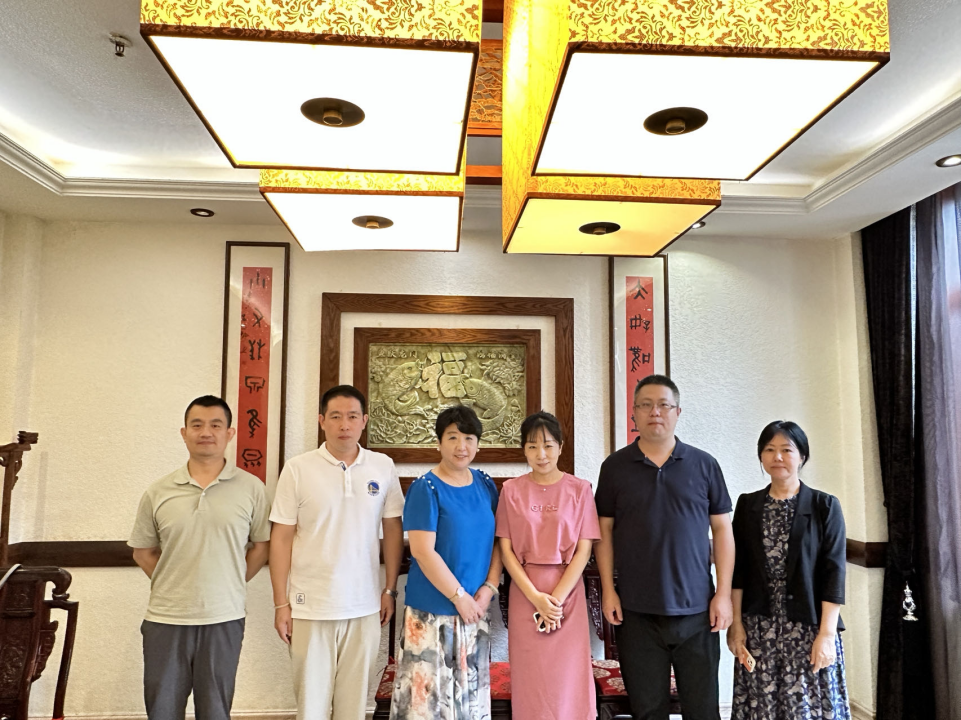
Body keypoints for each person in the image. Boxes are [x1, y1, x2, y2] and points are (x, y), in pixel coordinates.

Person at [595, 374, 735, 720]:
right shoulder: (615, 467)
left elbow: (722, 530)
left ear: (677, 412)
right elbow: (603, 532)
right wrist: (609, 591)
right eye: (645, 405)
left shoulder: (704, 464)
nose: (654, 412)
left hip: (698, 611)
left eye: (663, 405)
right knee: (647, 711)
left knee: (703, 711)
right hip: (636, 612)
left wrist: (723, 594)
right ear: (634, 413)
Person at [129, 395, 270, 720]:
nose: (206, 432)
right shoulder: (158, 491)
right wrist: (175, 580)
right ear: (184, 433)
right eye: (197, 425)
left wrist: (229, 581)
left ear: (230, 433)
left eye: (215, 425)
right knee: (162, 710)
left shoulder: (252, 488)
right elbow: (143, 551)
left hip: (224, 617)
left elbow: (261, 547)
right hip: (166, 618)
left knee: (215, 711)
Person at [269, 384, 404, 720]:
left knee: (354, 705)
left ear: (364, 421)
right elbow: (281, 538)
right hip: (310, 606)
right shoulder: (298, 468)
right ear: (321, 421)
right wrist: (281, 603)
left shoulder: (382, 466)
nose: (345, 424)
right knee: (311, 705)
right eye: (336, 417)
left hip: (364, 605)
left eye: (353, 417)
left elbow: (392, 529)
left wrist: (389, 589)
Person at [728, 421, 850, 720]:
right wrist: (736, 624)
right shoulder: (747, 505)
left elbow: (834, 572)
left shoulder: (824, 506)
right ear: (761, 456)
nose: (778, 457)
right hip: (759, 627)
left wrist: (827, 634)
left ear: (802, 456)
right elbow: (738, 570)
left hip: (808, 626)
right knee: (762, 705)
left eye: (786, 449)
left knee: (806, 706)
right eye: (769, 450)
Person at [389, 405, 503, 720]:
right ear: (438, 442)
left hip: (475, 610)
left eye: (469, 438)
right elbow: (423, 552)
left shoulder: (485, 484)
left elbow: (499, 541)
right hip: (431, 613)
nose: (461, 446)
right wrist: (459, 597)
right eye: (452, 437)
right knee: (426, 705)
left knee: (469, 701)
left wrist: (489, 588)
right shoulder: (425, 488)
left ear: (478, 444)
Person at [496, 411, 601, 720]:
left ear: (560, 447)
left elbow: (584, 549)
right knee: (531, 675)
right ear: (524, 450)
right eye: (532, 446)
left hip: (567, 592)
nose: (541, 454)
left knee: (568, 675)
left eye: (548, 445)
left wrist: (554, 601)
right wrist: (537, 599)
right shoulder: (511, 490)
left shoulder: (580, 489)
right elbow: (505, 550)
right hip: (525, 591)